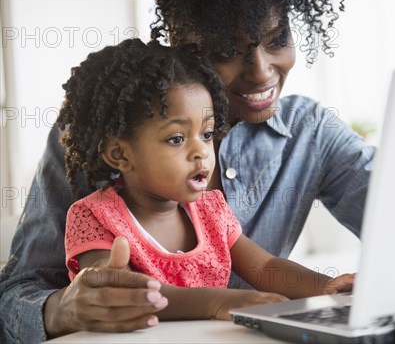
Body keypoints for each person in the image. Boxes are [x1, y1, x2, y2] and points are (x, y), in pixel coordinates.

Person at [0, 0, 375, 341]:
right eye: (229, 51)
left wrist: (326, 286)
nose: (262, 71)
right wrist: (62, 309)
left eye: (278, 38)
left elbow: (266, 267)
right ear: (182, 39)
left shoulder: (308, 133)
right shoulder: (91, 158)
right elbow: (16, 300)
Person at [57, 38, 353, 324]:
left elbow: (265, 267)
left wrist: (326, 288)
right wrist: (217, 302)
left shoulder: (211, 211)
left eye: (208, 134)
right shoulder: (94, 216)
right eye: (176, 138)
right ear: (120, 154)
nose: (201, 151)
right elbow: (119, 292)